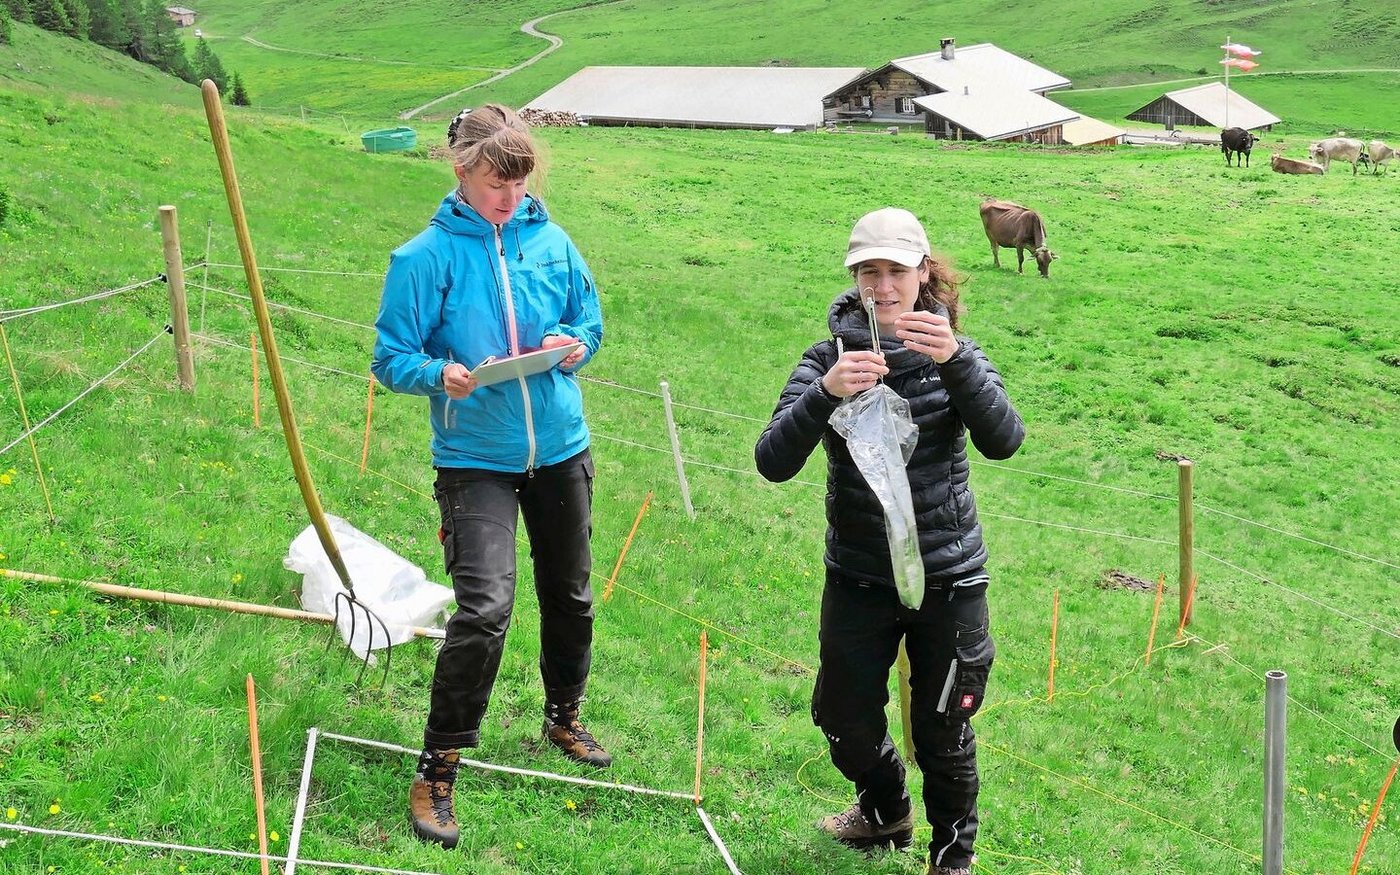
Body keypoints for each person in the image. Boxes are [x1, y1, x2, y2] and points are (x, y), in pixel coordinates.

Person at [754, 208, 1024, 875]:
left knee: (943, 729)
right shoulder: (827, 359)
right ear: (854, 276)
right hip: (860, 573)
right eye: (868, 272)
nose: (882, 286)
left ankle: (952, 857)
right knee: (842, 717)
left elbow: (1004, 440)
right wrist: (824, 394)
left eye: (896, 271)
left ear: (923, 272)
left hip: (949, 575)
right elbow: (772, 461)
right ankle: (884, 809)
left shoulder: (954, 351)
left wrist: (954, 361)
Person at [371, 104, 608, 851]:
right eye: (495, 182)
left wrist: (577, 343)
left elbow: (590, 319)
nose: (509, 196)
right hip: (473, 457)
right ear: (461, 170)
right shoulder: (423, 258)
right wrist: (437, 373)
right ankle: (437, 768)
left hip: (561, 448)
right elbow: (390, 356)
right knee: (484, 608)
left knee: (570, 593)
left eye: (519, 182)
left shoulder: (554, 241)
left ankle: (563, 716)